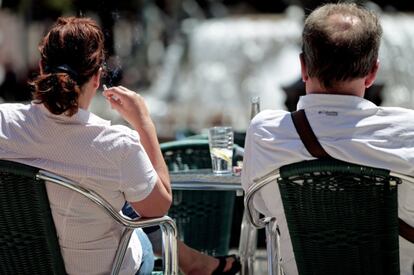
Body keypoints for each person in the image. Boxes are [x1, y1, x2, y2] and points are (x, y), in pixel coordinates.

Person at [0, 17, 240, 275]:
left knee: (121, 198)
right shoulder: (116, 144)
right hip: (105, 270)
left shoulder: (3, 121)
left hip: (22, 265)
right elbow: (159, 207)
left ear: (41, 66)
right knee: (133, 208)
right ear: (96, 77)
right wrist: (144, 123)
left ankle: (195, 262)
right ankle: (196, 263)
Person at [241, 3, 414, 275]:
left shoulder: (265, 132)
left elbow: (260, 211)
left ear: (303, 67)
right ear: (372, 73)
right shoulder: (409, 131)